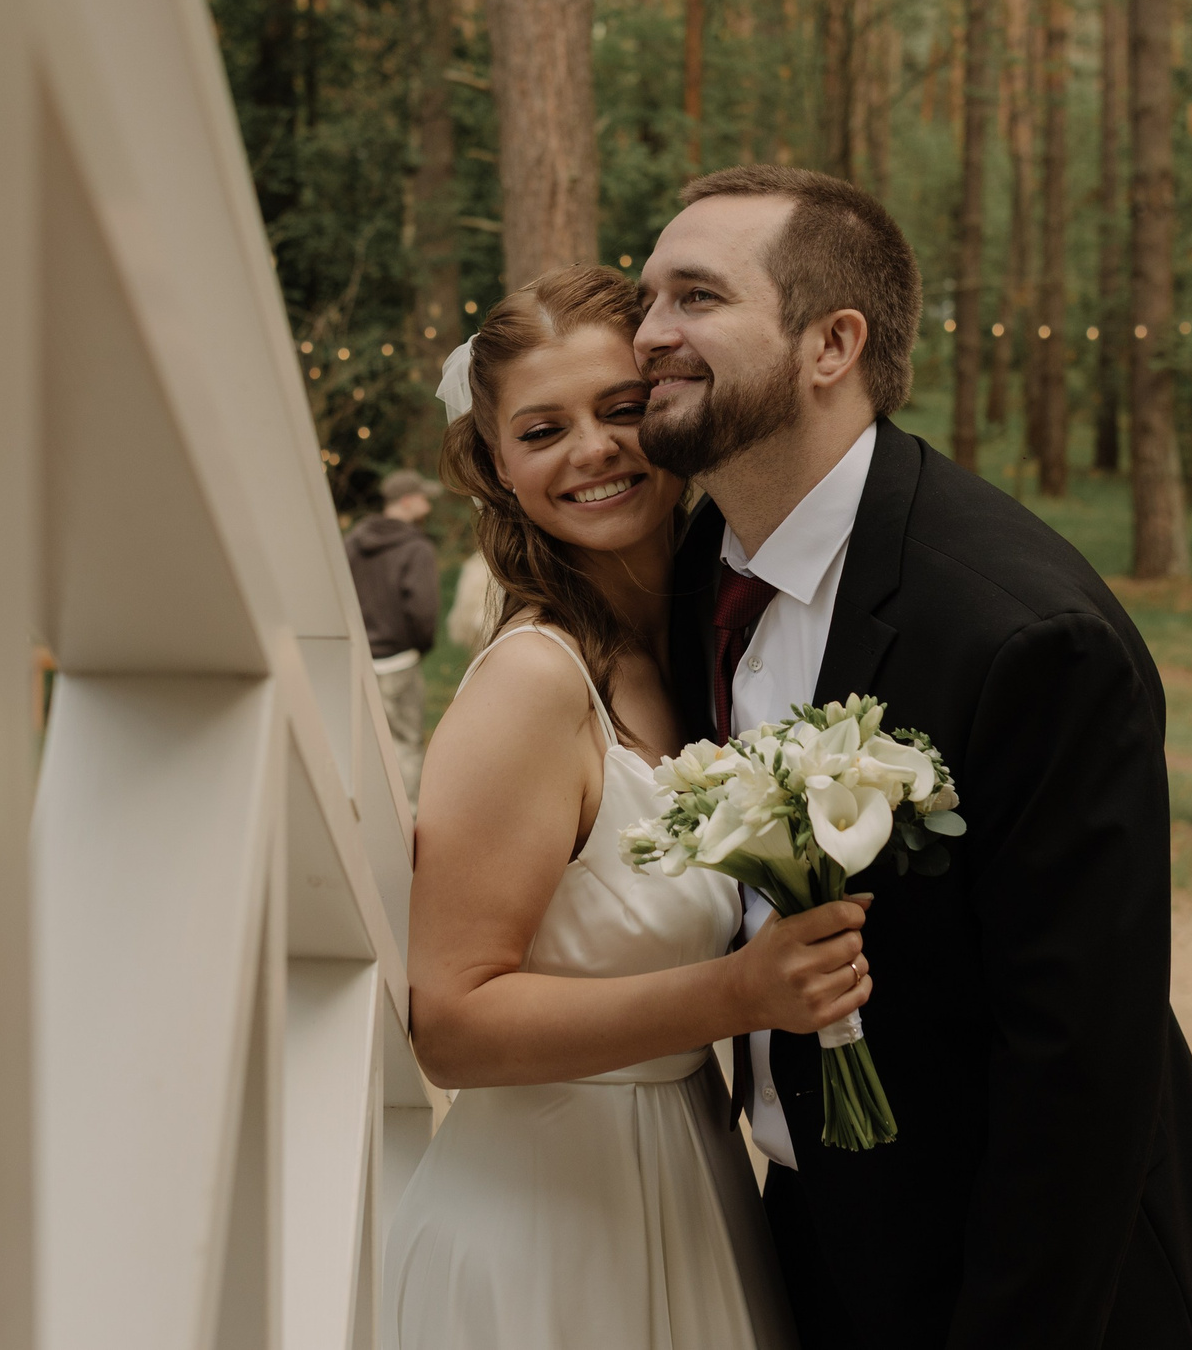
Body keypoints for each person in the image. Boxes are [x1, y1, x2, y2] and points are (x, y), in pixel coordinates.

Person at [635, 165, 1192, 1350]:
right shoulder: (697, 571)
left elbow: (1080, 1067)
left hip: (1033, 1288)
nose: (647, 337)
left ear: (832, 343)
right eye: (646, 300)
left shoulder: (1027, 636)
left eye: (695, 299)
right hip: (809, 1246)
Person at [383, 265, 869, 1350]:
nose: (592, 452)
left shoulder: (704, 651)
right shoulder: (534, 684)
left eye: (619, 410)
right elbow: (449, 1021)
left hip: (690, 1183)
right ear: (498, 469)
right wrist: (739, 991)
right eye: (542, 430)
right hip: (545, 1232)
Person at [346, 468, 441, 799]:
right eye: (423, 497)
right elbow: (423, 609)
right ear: (408, 500)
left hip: (359, 661)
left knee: (363, 744)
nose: (428, 503)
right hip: (399, 661)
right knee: (406, 743)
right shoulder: (416, 548)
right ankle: (407, 817)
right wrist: (421, 645)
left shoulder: (353, 543)